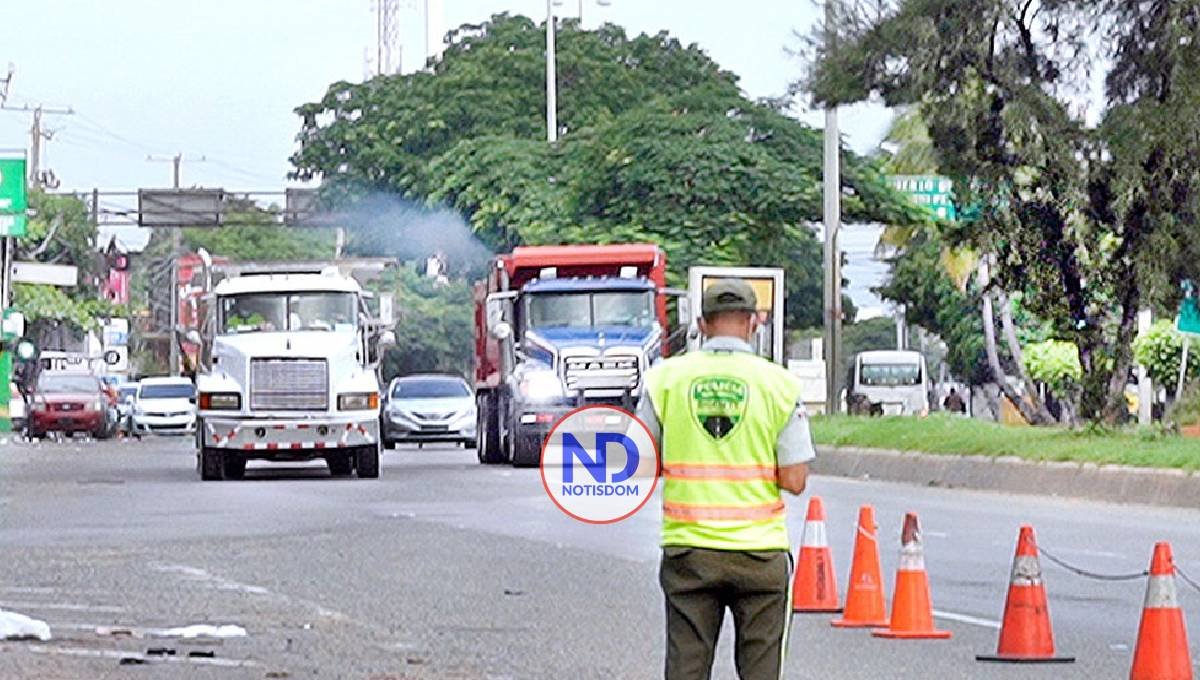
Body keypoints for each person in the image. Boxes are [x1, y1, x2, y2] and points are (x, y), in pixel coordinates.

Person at [637, 279, 815, 680]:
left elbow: (642, 465)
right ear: (755, 322)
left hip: (689, 551)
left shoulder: (664, 379)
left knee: (686, 668)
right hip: (760, 553)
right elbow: (795, 478)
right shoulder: (781, 385)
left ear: (701, 323)